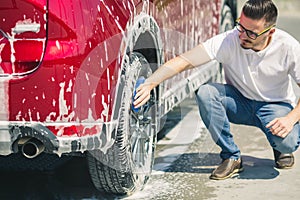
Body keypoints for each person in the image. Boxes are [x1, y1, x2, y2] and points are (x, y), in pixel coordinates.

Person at [134, 0, 300, 180]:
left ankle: (279, 147)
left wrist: (290, 119)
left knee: (287, 143)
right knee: (206, 92)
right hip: (239, 103)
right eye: (240, 27)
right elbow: (184, 61)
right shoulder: (229, 40)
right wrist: (151, 83)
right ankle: (231, 156)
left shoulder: (288, 47)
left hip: (274, 107)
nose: (242, 36)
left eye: (251, 33)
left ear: (270, 32)